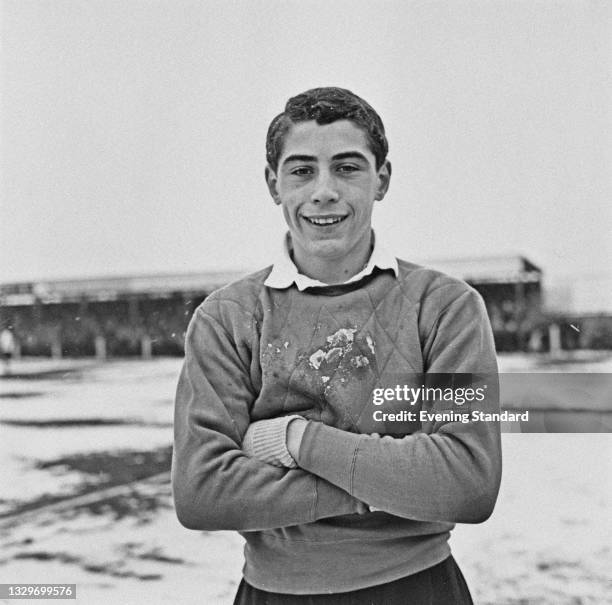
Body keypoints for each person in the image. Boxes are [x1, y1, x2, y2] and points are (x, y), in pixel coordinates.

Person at [172, 87, 502, 604]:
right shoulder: (227, 317)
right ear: (273, 184)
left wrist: (297, 440)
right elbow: (203, 493)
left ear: (382, 180)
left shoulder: (446, 307)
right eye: (302, 170)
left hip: (417, 590)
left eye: (347, 167)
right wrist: (386, 483)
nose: (324, 190)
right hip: (273, 593)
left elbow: (467, 482)